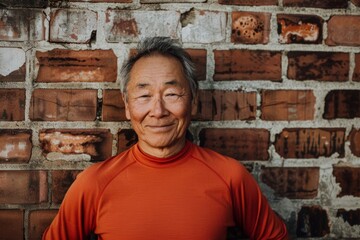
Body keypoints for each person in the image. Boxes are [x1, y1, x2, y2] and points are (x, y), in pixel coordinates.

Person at [43, 37, 288, 240]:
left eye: (172, 94)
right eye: (144, 96)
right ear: (127, 107)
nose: (158, 111)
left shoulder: (230, 177)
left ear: (192, 101)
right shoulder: (94, 183)